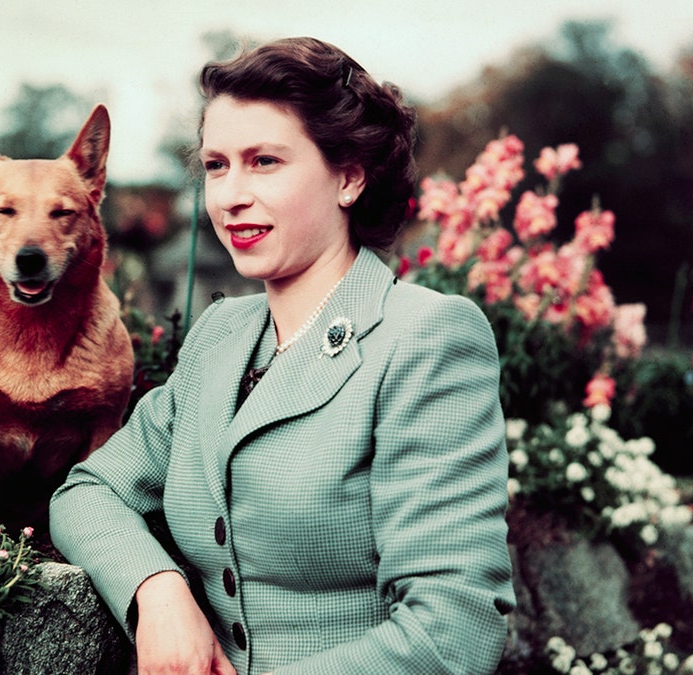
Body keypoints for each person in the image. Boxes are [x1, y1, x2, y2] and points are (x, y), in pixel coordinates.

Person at [50, 36, 515, 674]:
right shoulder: (219, 336)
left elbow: (454, 628)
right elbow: (88, 491)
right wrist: (157, 592)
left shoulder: (427, 338)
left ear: (349, 176)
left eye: (264, 161)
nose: (229, 196)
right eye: (216, 165)